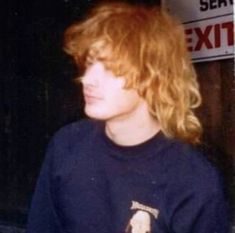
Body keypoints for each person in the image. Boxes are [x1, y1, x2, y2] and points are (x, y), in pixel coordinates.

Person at [26, 2, 229, 233]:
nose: (88, 79)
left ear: (153, 78)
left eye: (111, 68)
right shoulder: (67, 146)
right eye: (90, 64)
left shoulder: (194, 181)